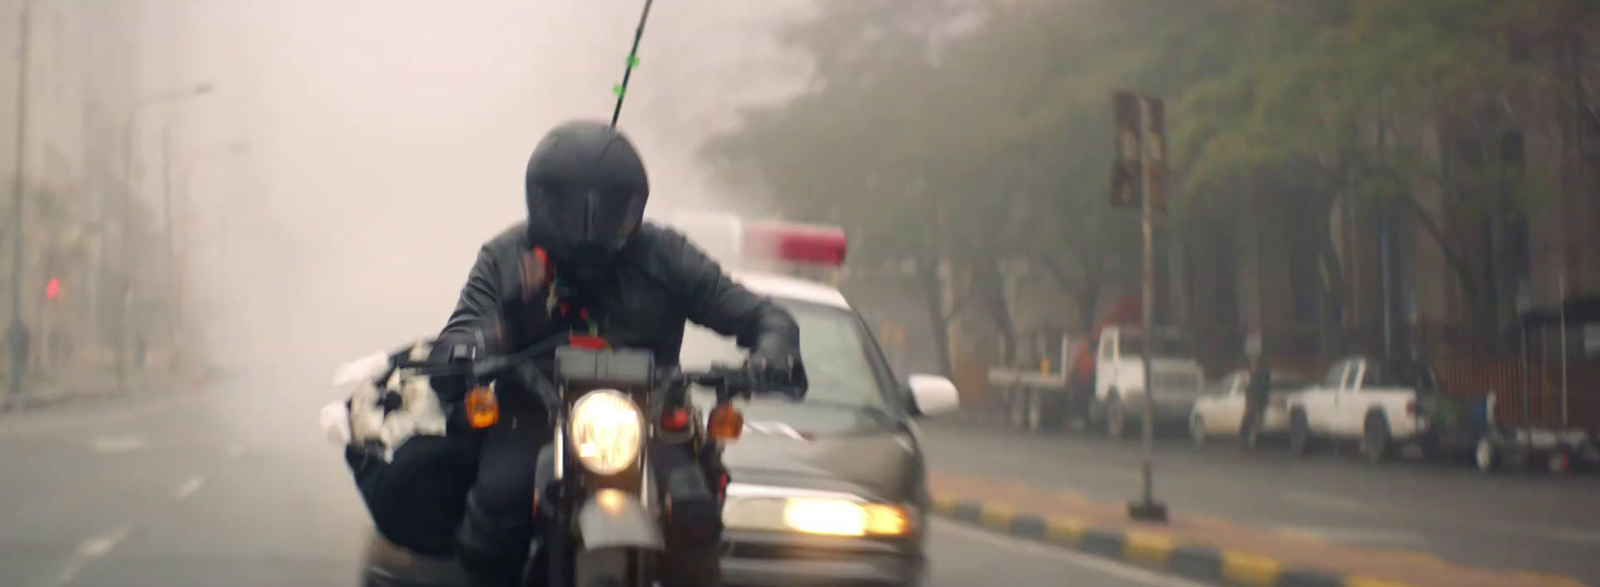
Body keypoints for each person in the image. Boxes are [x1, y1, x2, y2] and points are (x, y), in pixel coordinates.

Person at [350, 120, 808, 587]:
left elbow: (762, 315)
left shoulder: (666, 255)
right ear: (541, 201)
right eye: (571, 207)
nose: (589, 221)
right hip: (530, 412)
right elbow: (465, 327)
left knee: (694, 512)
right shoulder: (508, 256)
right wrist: (485, 336)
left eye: (608, 207)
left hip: (649, 415)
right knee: (500, 503)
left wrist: (771, 355)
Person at [1239, 350, 1272, 449]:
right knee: (1251, 421)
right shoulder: (1254, 372)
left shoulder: (1260, 373)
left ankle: (1249, 442)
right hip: (1255, 399)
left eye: (1253, 361)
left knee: (1251, 421)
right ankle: (1247, 442)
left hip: (1256, 399)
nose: (1252, 363)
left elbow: (1262, 386)